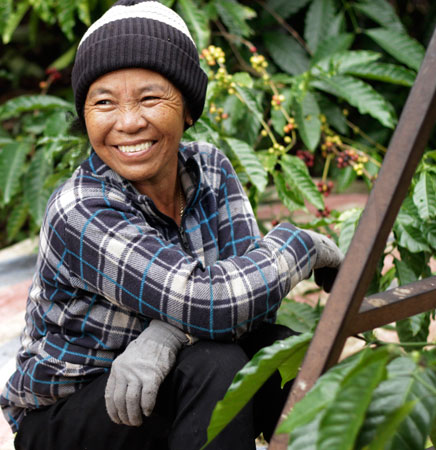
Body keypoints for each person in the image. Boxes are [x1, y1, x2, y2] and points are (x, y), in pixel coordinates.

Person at [0, 1, 343, 449]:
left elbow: (254, 306)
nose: (127, 122)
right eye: (104, 102)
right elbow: (219, 305)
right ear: (85, 116)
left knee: (281, 352)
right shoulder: (79, 207)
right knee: (214, 364)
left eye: (149, 98)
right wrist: (300, 244)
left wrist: (171, 332)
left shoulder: (212, 170)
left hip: (164, 387)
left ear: (188, 109)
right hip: (65, 415)